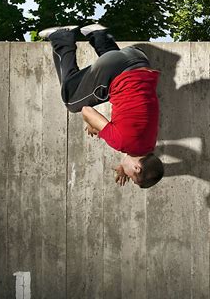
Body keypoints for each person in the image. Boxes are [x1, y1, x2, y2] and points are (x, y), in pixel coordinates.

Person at [39, 23, 164, 188]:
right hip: (115, 68)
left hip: (139, 59)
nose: (126, 176)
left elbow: (133, 142)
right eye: (131, 177)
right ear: (136, 167)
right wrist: (91, 123)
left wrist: (123, 166)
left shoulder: (149, 144)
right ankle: (61, 37)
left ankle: (99, 34)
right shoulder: (121, 143)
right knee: (71, 102)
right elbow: (87, 110)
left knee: (106, 92)